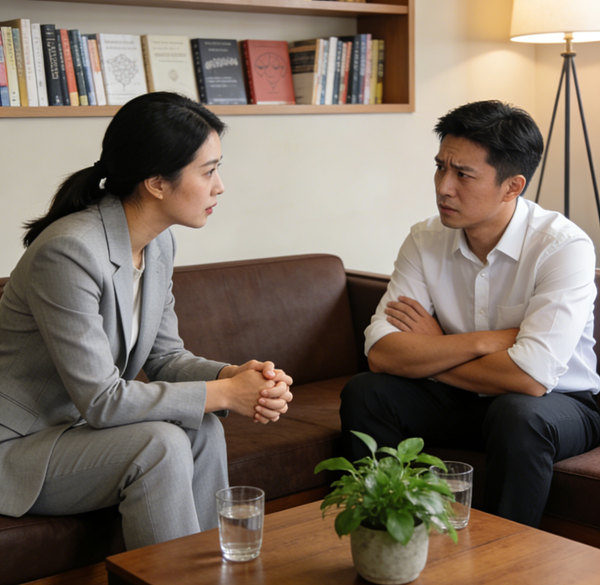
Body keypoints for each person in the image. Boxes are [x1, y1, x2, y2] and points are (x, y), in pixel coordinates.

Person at [0, 91, 293, 549]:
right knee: (160, 444)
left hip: (80, 431)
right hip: (20, 446)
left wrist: (233, 376)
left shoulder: (157, 244)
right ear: (157, 182)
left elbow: (166, 358)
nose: (220, 186)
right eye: (208, 171)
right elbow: (102, 400)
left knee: (203, 428)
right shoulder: (68, 252)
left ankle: (210, 570)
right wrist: (225, 394)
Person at [340, 100, 600, 527]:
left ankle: (507, 554)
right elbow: (383, 353)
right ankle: (390, 536)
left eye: (463, 174)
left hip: (558, 405)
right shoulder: (424, 239)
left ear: (512, 186)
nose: (444, 187)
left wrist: (435, 348)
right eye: (440, 167)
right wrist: (484, 342)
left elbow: (530, 378)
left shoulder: (563, 247)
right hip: (463, 401)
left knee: (518, 414)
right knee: (367, 392)